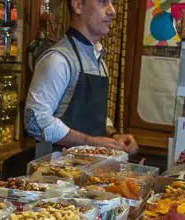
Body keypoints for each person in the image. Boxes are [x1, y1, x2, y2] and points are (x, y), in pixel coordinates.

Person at [24, 0, 138, 156]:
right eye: (103, 2)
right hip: (54, 174)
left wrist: (113, 135)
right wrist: (92, 142)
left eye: (112, 3)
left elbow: (93, 114)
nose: (112, 11)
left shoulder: (100, 61)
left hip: (90, 172)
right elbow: (36, 122)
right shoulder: (58, 60)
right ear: (78, 5)